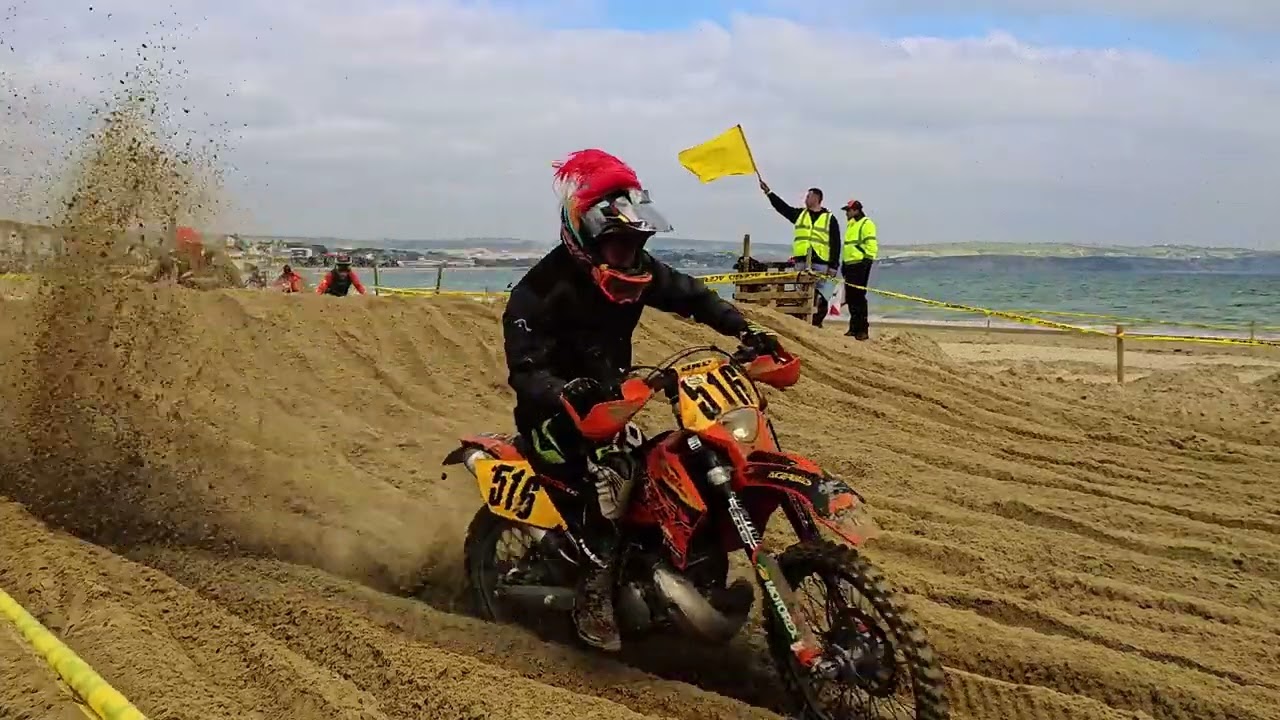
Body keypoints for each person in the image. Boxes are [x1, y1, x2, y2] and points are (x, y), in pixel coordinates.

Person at [503, 148, 782, 653]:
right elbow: (524, 372)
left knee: (678, 464)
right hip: (553, 418)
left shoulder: (638, 270)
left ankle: (690, 571)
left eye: (634, 244)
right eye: (618, 245)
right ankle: (594, 599)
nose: (627, 255)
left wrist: (745, 327)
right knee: (608, 488)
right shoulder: (538, 292)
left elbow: (693, 295)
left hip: (610, 407)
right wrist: (562, 389)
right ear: (587, 238)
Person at [759, 180, 839, 328]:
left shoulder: (829, 218)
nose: (805, 199)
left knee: (816, 293)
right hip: (801, 260)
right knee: (800, 293)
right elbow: (783, 208)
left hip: (820, 261)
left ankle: (815, 322)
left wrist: (834, 265)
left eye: (808, 196)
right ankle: (802, 322)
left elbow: (835, 243)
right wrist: (769, 193)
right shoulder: (800, 214)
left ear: (816, 198)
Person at [839, 199, 878, 340]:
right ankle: (853, 327)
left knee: (859, 297)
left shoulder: (866, 223)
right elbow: (848, 246)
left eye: (848, 211)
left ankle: (863, 329)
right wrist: (844, 263)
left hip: (860, 263)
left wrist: (867, 261)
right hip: (850, 263)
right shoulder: (851, 225)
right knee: (851, 297)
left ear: (856, 210)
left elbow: (871, 244)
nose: (846, 214)